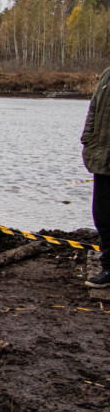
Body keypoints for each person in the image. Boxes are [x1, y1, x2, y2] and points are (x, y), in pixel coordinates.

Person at [82, 65, 110, 286]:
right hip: (102, 158)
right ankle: (108, 269)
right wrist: (88, 139)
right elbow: (94, 109)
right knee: (103, 216)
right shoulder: (107, 74)